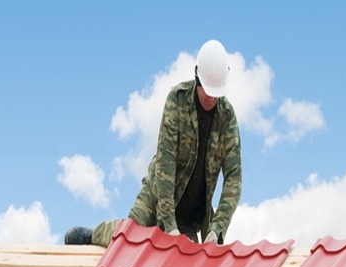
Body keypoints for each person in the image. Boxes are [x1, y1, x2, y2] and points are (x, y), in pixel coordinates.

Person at [65, 39, 241, 248]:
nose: (213, 99)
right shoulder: (177, 101)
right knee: (128, 240)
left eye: (217, 94)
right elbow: (166, 163)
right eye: (208, 92)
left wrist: (217, 227)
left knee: (180, 263)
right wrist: (169, 225)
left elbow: (234, 178)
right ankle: (94, 234)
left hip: (191, 215)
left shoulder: (227, 117)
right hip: (158, 194)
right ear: (198, 79)